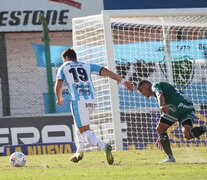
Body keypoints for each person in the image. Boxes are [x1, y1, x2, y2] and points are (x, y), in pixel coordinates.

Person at [55, 48, 133, 165]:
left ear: (66, 58)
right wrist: (123, 81)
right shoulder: (86, 65)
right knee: (79, 126)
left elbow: (58, 86)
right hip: (92, 101)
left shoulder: (63, 67)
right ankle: (79, 152)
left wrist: (59, 98)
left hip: (78, 101)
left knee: (84, 131)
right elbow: (106, 71)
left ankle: (103, 146)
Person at [137, 80, 207, 163]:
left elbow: (160, 94)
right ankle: (205, 127)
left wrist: (161, 106)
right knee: (187, 135)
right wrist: (162, 136)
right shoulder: (162, 89)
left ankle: (170, 157)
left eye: (141, 90)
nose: (142, 93)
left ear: (146, 85)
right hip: (184, 109)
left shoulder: (155, 85)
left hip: (179, 108)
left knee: (160, 129)